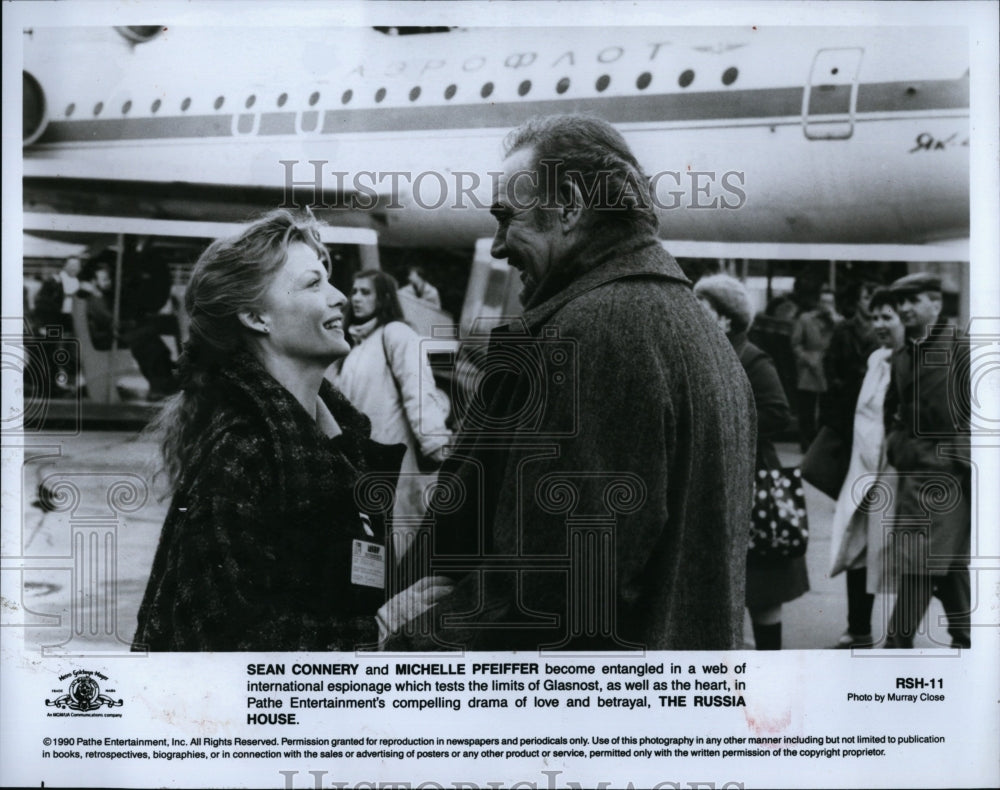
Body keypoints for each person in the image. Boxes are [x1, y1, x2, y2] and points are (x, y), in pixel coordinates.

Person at [385, 114, 756, 651]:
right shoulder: (698, 332)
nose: (496, 246)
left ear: (570, 206)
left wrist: (401, 641)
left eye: (506, 217)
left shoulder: (594, 332)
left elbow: (551, 590)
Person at [133, 210, 404, 651]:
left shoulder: (334, 438)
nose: (340, 298)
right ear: (257, 318)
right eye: (313, 283)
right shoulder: (241, 451)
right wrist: (381, 629)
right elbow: (218, 640)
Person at [694, 274, 806, 650]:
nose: (692, 315)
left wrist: (723, 422)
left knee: (761, 590)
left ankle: (770, 671)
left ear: (726, 319)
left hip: (751, 487)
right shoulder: (703, 356)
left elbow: (778, 413)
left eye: (702, 308)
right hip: (715, 483)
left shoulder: (751, 358)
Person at [331, 270, 450, 557]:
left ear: (384, 297)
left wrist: (437, 446)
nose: (356, 298)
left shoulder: (396, 333)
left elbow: (418, 390)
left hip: (395, 461)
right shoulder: (356, 346)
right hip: (366, 461)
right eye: (354, 291)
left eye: (366, 292)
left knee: (398, 544)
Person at [882, 272, 971, 649]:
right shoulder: (903, 354)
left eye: (913, 300)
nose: (904, 308)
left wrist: (961, 456)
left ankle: (896, 644)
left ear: (936, 304)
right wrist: (896, 446)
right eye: (900, 301)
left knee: (920, 560)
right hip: (913, 470)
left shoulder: (960, 347)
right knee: (946, 561)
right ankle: (967, 639)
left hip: (947, 473)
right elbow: (895, 407)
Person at [828, 288, 906, 648]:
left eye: (886, 317)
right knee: (858, 550)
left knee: (897, 558)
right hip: (863, 472)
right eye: (874, 317)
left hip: (894, 473)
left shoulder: (914, 362)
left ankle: (902, 638)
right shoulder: (876, 359)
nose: (878, 324)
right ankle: (858, 628)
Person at [791, 286, 841, 451]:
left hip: (830, 369)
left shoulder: (838, 321)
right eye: (824, 301)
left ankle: (822, 445)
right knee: (807, 408)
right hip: (809, 368)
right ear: (819, 302)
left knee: (827, 408)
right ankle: (806, 443)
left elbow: (843, 342)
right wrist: (807, 358)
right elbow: (795, 344)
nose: (827, 305)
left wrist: (835, 321)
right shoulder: (806, 319)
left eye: (830, 302)